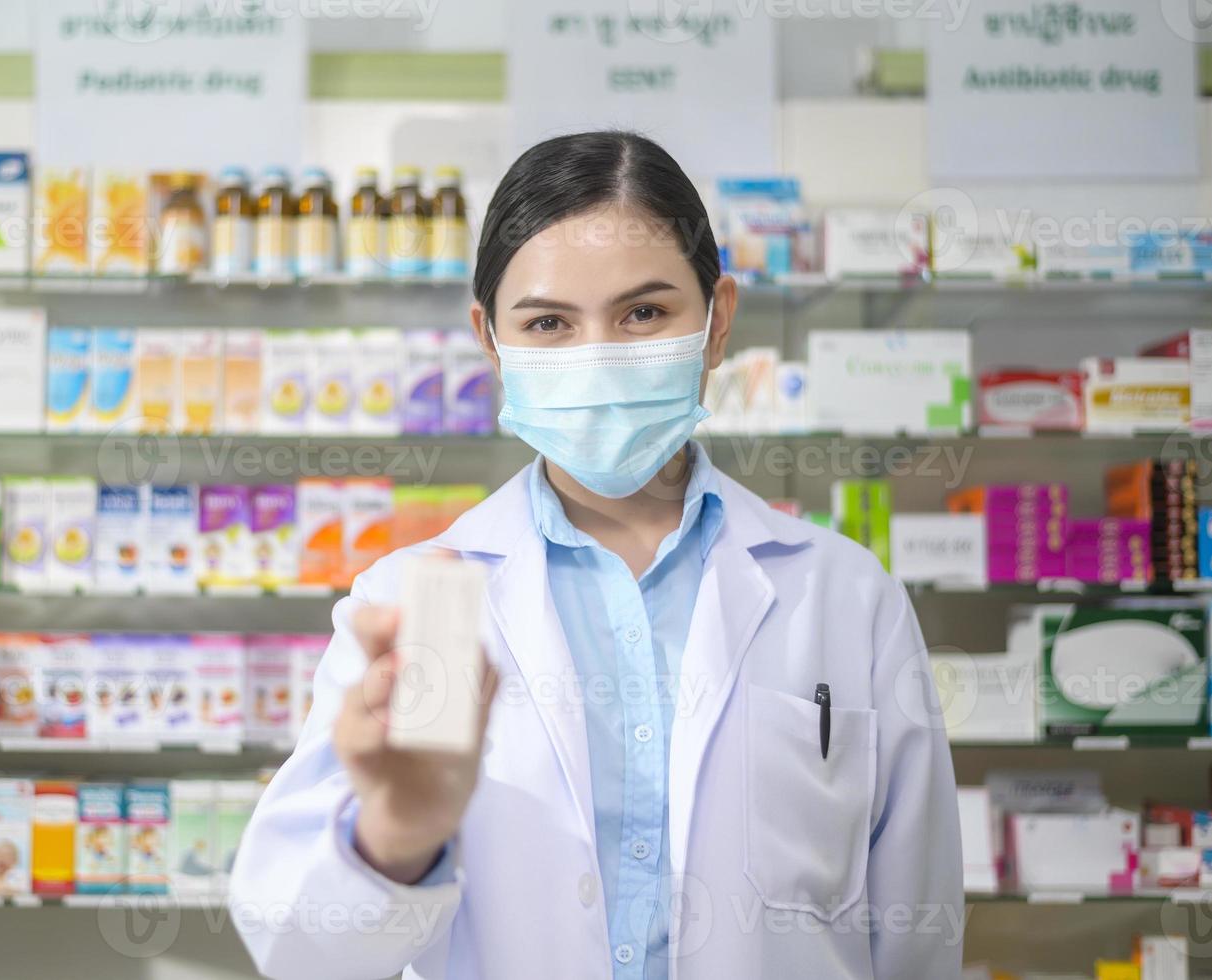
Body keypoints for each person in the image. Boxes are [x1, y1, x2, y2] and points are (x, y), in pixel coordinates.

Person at [230, 131, 964, 979]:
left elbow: (918, 931)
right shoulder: (410, 601)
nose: (599, 356)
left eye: (644, 313)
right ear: (490, 342)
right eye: (547, 323)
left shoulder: (844, 597)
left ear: (717, 322)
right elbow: (299, 952)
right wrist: (394, 839)